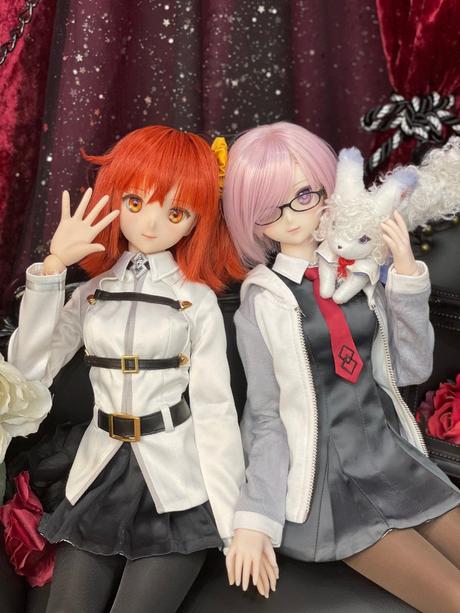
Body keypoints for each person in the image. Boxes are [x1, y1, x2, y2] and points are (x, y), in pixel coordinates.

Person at [222, 121, 460, 612]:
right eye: (269, 206)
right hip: (330, 483)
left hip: (391, 457)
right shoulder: (263, 302)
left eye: (303, 196)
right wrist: (254, 517)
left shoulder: (362, 274)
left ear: (326, 190)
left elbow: (411, 370)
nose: (291, 216)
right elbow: (265, 417)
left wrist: (407, 277)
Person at [8, 125, 246, 613]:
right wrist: (52, 269)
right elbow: (29, 371)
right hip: (99, 468)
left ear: (195, 221)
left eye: (175, 212)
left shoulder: (195, 300)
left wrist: (234, 523)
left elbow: (215, 410)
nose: (152, 224)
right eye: (136, 202)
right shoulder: (92, 293)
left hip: (174, 477)